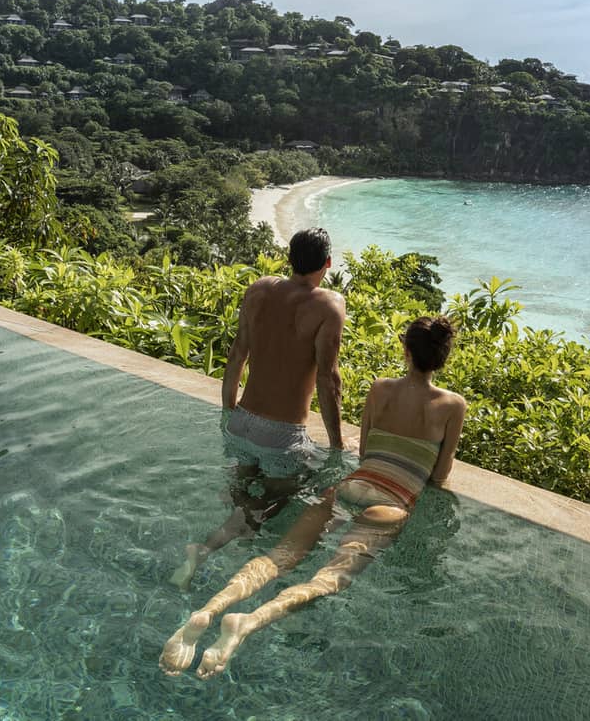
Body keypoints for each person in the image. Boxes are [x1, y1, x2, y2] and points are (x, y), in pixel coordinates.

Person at [161, 316, 467, 679]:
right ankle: (248, 622)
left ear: (405, 350)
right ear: (443, 357)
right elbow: (440, 474)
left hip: (351, 484)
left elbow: (367, 449)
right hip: (392, 499)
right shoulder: (453, 405)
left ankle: (209, 610)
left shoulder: (380, 388)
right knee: (329, 578)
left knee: (280, 557)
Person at [169, 228, 347, 590]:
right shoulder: (329, 305)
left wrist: (228, 412)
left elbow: (237, 355)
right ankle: (205, 548)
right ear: (327, 263)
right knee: (273, 504)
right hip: (281, 436)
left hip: (241, 423)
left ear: (289, 258)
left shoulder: (259, 289)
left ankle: (238, 523)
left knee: (245, 486)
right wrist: (338, 447)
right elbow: (329, 382)